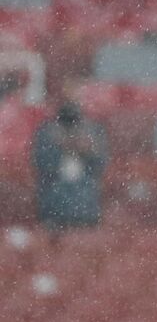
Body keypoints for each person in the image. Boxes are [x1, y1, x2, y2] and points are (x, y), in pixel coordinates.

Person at [32, 92, 108, 229]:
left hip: (86, 209)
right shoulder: (47, 132)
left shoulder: (93, 131)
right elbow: (41, 163)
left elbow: (100, 164)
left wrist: (86, 149)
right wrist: (59, 146)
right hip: (53, 208)